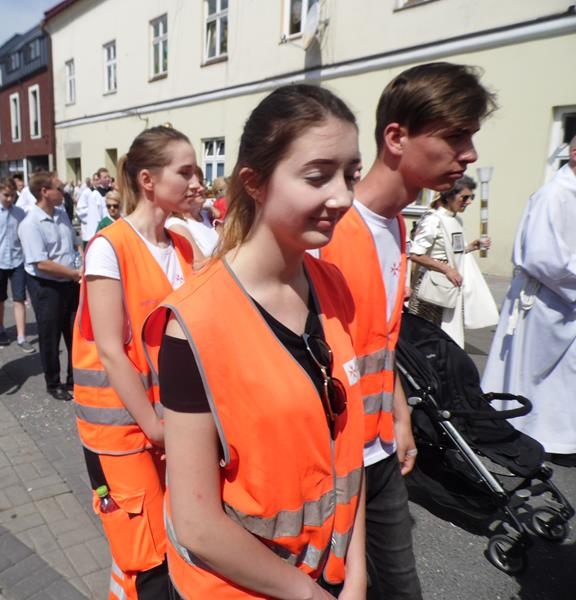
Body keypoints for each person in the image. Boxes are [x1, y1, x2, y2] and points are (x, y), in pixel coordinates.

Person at [142, 86, 365, 600]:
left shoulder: (333, 286)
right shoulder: (193, 323)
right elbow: (197, 524)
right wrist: (311, 595)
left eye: (350, 174)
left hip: (329, 576)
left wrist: (356, 574)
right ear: (254, 183)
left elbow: (347, 447)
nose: (344, 197)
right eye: (318, 176)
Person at [318, 62, 497, 599]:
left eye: (471, 137)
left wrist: (399, 417)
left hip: (379, 451)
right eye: (455, 136)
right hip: (331, 463)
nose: (469, 154)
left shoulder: (397, 224)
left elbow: (382, 340)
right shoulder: (328, 230)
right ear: (396, 137)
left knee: (399, 588)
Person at [72, 126, 198, 600]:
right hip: (123, 432)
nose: (196, 182)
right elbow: (109, 349)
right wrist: (154, 426)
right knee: (147, 557)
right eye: (184, 172)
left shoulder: (183, 246)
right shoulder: (110, 247)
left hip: (170, 425)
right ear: (148, 180)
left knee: (172, 542)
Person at [482, 135, 576, 459]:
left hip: (564, 300)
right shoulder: (554, 194)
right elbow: (543, 257)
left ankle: (556, 437)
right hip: (544, 300)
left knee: (563, 377)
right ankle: (525, 434)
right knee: (529, 375)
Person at [18, 171, 81, 400]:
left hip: (70, 282)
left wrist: (81, 262)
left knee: (74, 334)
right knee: (50, 337)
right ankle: (53, 383)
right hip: (46, 286)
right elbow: (41, 263)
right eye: (59, 188)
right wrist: (74, 273)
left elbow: (74, 244)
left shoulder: (61, 213)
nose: (64, 192)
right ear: (45, 192)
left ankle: (74, 379)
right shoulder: (30, 223)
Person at [406, 175, 490, 346]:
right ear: (449, 196)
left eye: (471, 197)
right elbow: (415, 254)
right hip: (434, 287)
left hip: (451, 285)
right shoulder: (433, 220)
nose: (469, 202)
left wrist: (471, 247)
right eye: (464, 197)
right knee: (424, 336)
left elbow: (452, 253)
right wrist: (447, 269)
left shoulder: (455, 219)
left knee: (442, 337)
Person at [0, 177, 34, 353]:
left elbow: (24, 235)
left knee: (19, 298)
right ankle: (1, 328)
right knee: (0, 297)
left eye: (12, 195)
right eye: (6, 195)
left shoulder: (20, 212)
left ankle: (21, 336)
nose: (10, 199)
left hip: (17, 260)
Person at [165, 166, 219, 264]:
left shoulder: (207, 215)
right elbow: (198, 263)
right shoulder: (176, 225)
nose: (202, 188)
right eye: (193, 187)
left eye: (201, 183)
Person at [75, 168, 111, 246]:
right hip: (102, 227)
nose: (108, 179)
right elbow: (94, 215)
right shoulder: (95, 194)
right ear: (99, 179)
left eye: (108, 176)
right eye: (105, 177)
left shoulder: (112, 192)